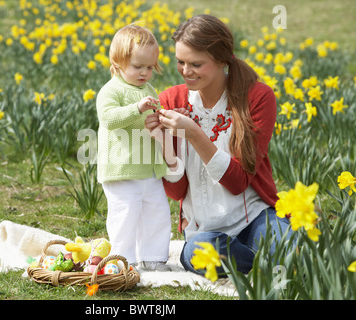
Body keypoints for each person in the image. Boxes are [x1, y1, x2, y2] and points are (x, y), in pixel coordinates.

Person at [145, 14, 292, 275]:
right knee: (197, 252)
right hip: (205, 232)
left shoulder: (257, 98)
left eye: (196, 64)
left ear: (222, 60)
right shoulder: (172, 99)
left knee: (290, 249)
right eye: (181, 62)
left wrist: (195, 134)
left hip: (254, 218)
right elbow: (177, 192)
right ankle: (267, 267)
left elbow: (238, 183)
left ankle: (257, 263)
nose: (186, 71)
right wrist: (162, 141)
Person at [96, 24, 179, 271]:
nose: (144, 72)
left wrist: (166, 115)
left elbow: (154, 119)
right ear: (118, 62)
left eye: (150, 67)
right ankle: (124, 260)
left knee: (157, 214)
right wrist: (137, 109)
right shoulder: (111, 90)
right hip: (122, 170)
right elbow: (109, 119)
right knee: (125, 216)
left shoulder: (148, 89)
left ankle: (153, 257)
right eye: (137, 66)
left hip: (148, 168)